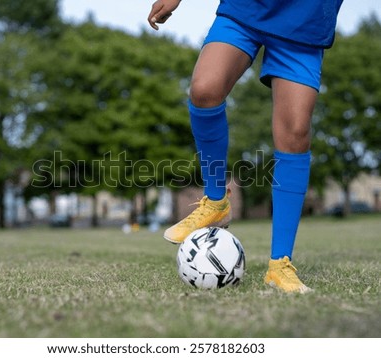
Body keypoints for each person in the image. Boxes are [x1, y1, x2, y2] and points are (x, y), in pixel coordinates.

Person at [147, 0, 343, 293]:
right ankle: (216, 201)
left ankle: (279, 266)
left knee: (295, 132)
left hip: (306, 16)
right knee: (204, 89)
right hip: (247, 6)